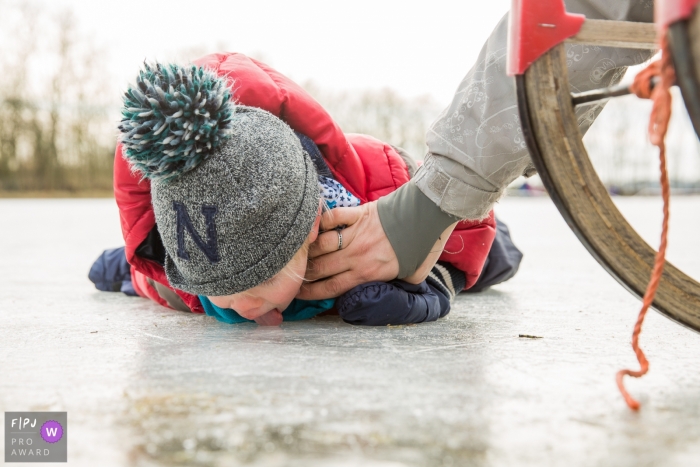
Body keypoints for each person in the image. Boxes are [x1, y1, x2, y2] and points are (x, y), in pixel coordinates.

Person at [99, 54, 522, 326]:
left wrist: (422, 291)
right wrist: (132, 270)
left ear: (308, 233)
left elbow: (462, 224)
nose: (240, 309)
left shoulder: (374, 190)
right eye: (217, 294)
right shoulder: (188, 267)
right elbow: (161, 280)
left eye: (254, 288)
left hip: (453, 221)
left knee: (492, 258)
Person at [297, 0, 657, 301]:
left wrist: (426, 213)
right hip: (428, 216)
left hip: (448, 225)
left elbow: (569, 13)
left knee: (496, 250)